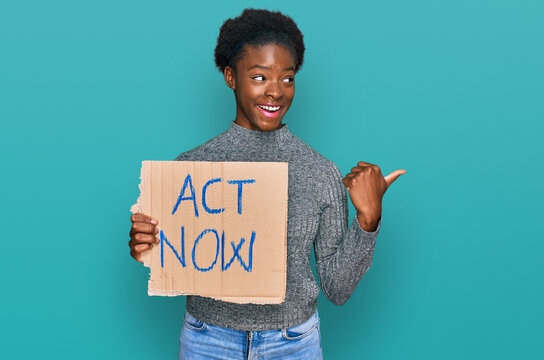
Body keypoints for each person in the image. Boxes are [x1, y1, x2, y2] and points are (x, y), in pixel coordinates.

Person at [128, 8, 405, 359]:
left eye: (287, 79)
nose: (275, 92)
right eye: (259, 77)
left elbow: (337, 288)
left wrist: (369, 220)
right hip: (208, 340)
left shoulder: (321, 172)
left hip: (292, 343)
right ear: (231, 77)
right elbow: (174, 254)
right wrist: (147, 245)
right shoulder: (190, 169)